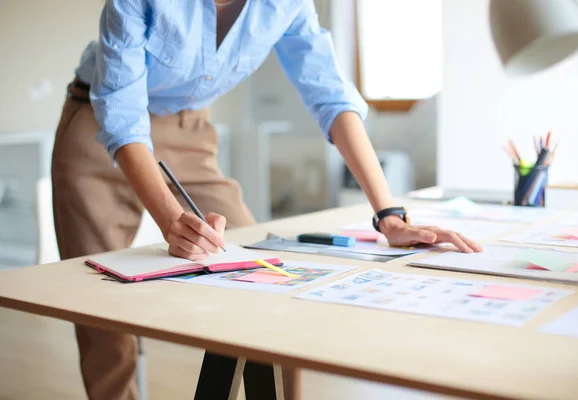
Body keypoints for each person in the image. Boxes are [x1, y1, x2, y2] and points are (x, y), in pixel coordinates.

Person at [52, 0, 482, 399]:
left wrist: (390, 216)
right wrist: (170, 219)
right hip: (98, 129)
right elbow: (123, 118)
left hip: (188, 130)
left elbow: (330, 95)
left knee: (264, 277)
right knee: (99, 310)